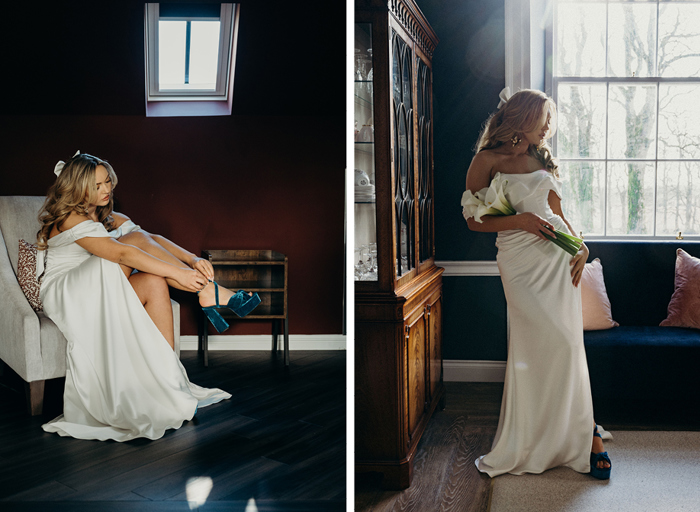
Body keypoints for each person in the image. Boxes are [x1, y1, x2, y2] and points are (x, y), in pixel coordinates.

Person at [36, 152, 260, 442]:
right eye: (97, 186)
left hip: (101, 285)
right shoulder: (69, 218)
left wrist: (192, 260)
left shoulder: (106, 215)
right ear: (78, 188)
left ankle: (167, 382)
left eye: (108, 183)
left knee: (154, 281)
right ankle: (209, 292)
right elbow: (122, 252)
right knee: (132, 245)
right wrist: (180, 275)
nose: (106, 191)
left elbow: (152, 239)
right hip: (68, 292)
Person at [463, 89, 612, 479]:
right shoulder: (487, 161)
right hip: (520, 263)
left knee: (566, 345)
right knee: (534, 345)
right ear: (523, 116)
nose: (549, 127)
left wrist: (582, 246)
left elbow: (559, 214)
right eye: (544, 118)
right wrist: (522, 222)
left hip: (559, 261)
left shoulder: (541, 158)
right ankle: (533, 437)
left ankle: (583, 432)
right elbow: (473, 221)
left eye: (551, 120)